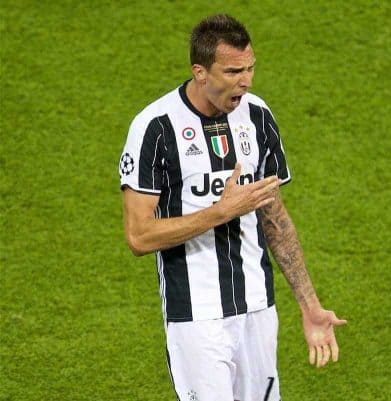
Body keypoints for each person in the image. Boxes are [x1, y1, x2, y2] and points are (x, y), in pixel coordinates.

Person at [118, 14, 346, 401]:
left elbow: (275, 218)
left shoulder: (256, 116)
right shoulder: (155, 128)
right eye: (234, 71)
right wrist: (221, 212)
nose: (246, 80)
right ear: (200, 72)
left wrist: (309, 305)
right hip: (196, 315)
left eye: (251, 68)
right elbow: (139, 236)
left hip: (258, 308)